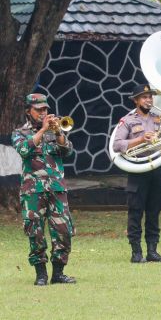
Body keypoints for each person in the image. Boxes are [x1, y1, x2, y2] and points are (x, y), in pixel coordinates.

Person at [12, 93, 76, 285]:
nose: (43, 113)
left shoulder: (54, 130)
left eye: (45, 109)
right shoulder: (20, 132)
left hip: (56, 189)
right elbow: (24, 150)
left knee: (64, 231)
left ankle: (58, 273)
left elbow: (68, 151)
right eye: (38, 109)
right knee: (35, 233)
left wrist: (57, 132)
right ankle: (41, 274)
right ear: (28, 111)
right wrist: (42, 130)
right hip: (33, 191)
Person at [112, 84, 161, 264]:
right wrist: (139, 140)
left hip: (157, 168)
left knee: (154, 211)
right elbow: (117, 145)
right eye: (144, 97)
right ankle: (136, 252)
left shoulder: (159, 117)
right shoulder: (127, 121)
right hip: (138, 169)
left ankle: (152, 251)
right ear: (136, 100)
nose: (149, 100)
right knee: (135, 211)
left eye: (150, 96)